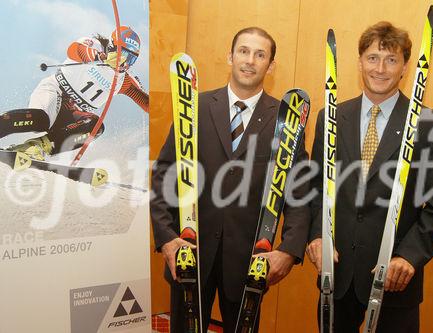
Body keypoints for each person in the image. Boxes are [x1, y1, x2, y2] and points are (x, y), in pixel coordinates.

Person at [151, 27, 310, 332]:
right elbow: (163, 175)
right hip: (189, 256)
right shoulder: (193, 107)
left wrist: (289, 249)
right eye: (244, 51)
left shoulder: (286, 120)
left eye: (260, 54)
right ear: (230, 56)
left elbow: (298, 191)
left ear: (271, 66)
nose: (250, 60)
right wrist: (167, 238)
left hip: (249, 262)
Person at [307, 21, 433, 332]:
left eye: (391, 59)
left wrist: (408, 257)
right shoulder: (331, 117)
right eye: (373, 58)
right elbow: (315, 190)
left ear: (405, 66)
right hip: (337, 278)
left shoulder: (430, 125)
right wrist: (318, 236)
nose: (381, 68)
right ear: (360, 61)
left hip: (394, 282)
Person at [0, 26, 149, 160]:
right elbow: (74, 49)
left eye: (131, 59)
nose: (125, 64)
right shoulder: (95, 46)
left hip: (72, 113)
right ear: (112, 46)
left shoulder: (125, 80)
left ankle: (37, 147)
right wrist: (99, 57)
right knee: (42, 120)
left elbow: (149, 105)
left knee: (96, 126)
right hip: (55, 91)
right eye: (123, 55)